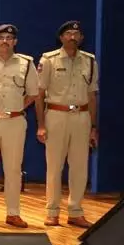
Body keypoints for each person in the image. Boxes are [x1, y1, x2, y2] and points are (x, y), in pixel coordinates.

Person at [0, 24, 41, 228]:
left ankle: (13, 213)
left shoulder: (26, 63)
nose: (5, 41)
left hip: (14, 121)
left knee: (13, 169)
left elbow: (33, 93)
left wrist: (17, 107)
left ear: (15, 42)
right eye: (1, 38)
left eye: (9, 38)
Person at [37, 20, 99, 227]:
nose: (73, 36)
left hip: (81, 117)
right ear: (61, 37)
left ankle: (75, 211)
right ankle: (52, 211)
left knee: (80, 167)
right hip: (56, 115)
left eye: (76, 33)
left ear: (81, 38)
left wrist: (93, 126)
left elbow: (92, 95)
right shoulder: (49, 60)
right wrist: (41, 124)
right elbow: (40, 93)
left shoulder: (90, 61)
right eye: (68, 33)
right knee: (54, 166)